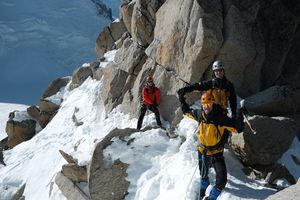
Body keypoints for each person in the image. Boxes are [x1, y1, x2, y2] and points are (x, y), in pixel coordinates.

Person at [178, 91, 245, 200]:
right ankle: (202, 194)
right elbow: (186, 111)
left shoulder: (220, 118)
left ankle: (211, 198)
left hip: (216, 153)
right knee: (203, 175)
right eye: (204, 105)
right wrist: (181, 99)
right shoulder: (200, 115)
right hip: (203, 151)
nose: (206, 107)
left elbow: (237, 128)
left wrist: (240, 114)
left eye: (209, 104)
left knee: (221, 181)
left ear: (213, 103)